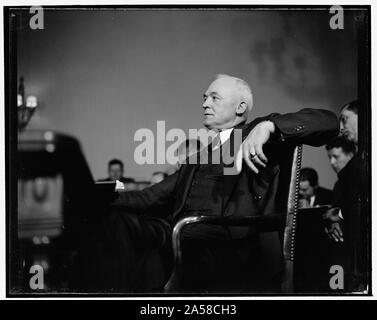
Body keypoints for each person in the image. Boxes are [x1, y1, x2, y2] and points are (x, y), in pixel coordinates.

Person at [73, 74, 338, 293]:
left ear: (240, 108)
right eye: (204, 98)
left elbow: (328, 121)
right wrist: (94, 193)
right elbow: (148, 197)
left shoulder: (254, 136)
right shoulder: (197, 158)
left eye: (214, 97)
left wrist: (269, 125)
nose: (205, 104)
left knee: (149, 256)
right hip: (180, 232)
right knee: (112, 220)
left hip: (228, 241)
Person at [324, 100, 366, 291]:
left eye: (345, 120)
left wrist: (338, 215)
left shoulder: (359, 165)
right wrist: (336, 221)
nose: (341, 128)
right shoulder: (352, 169)